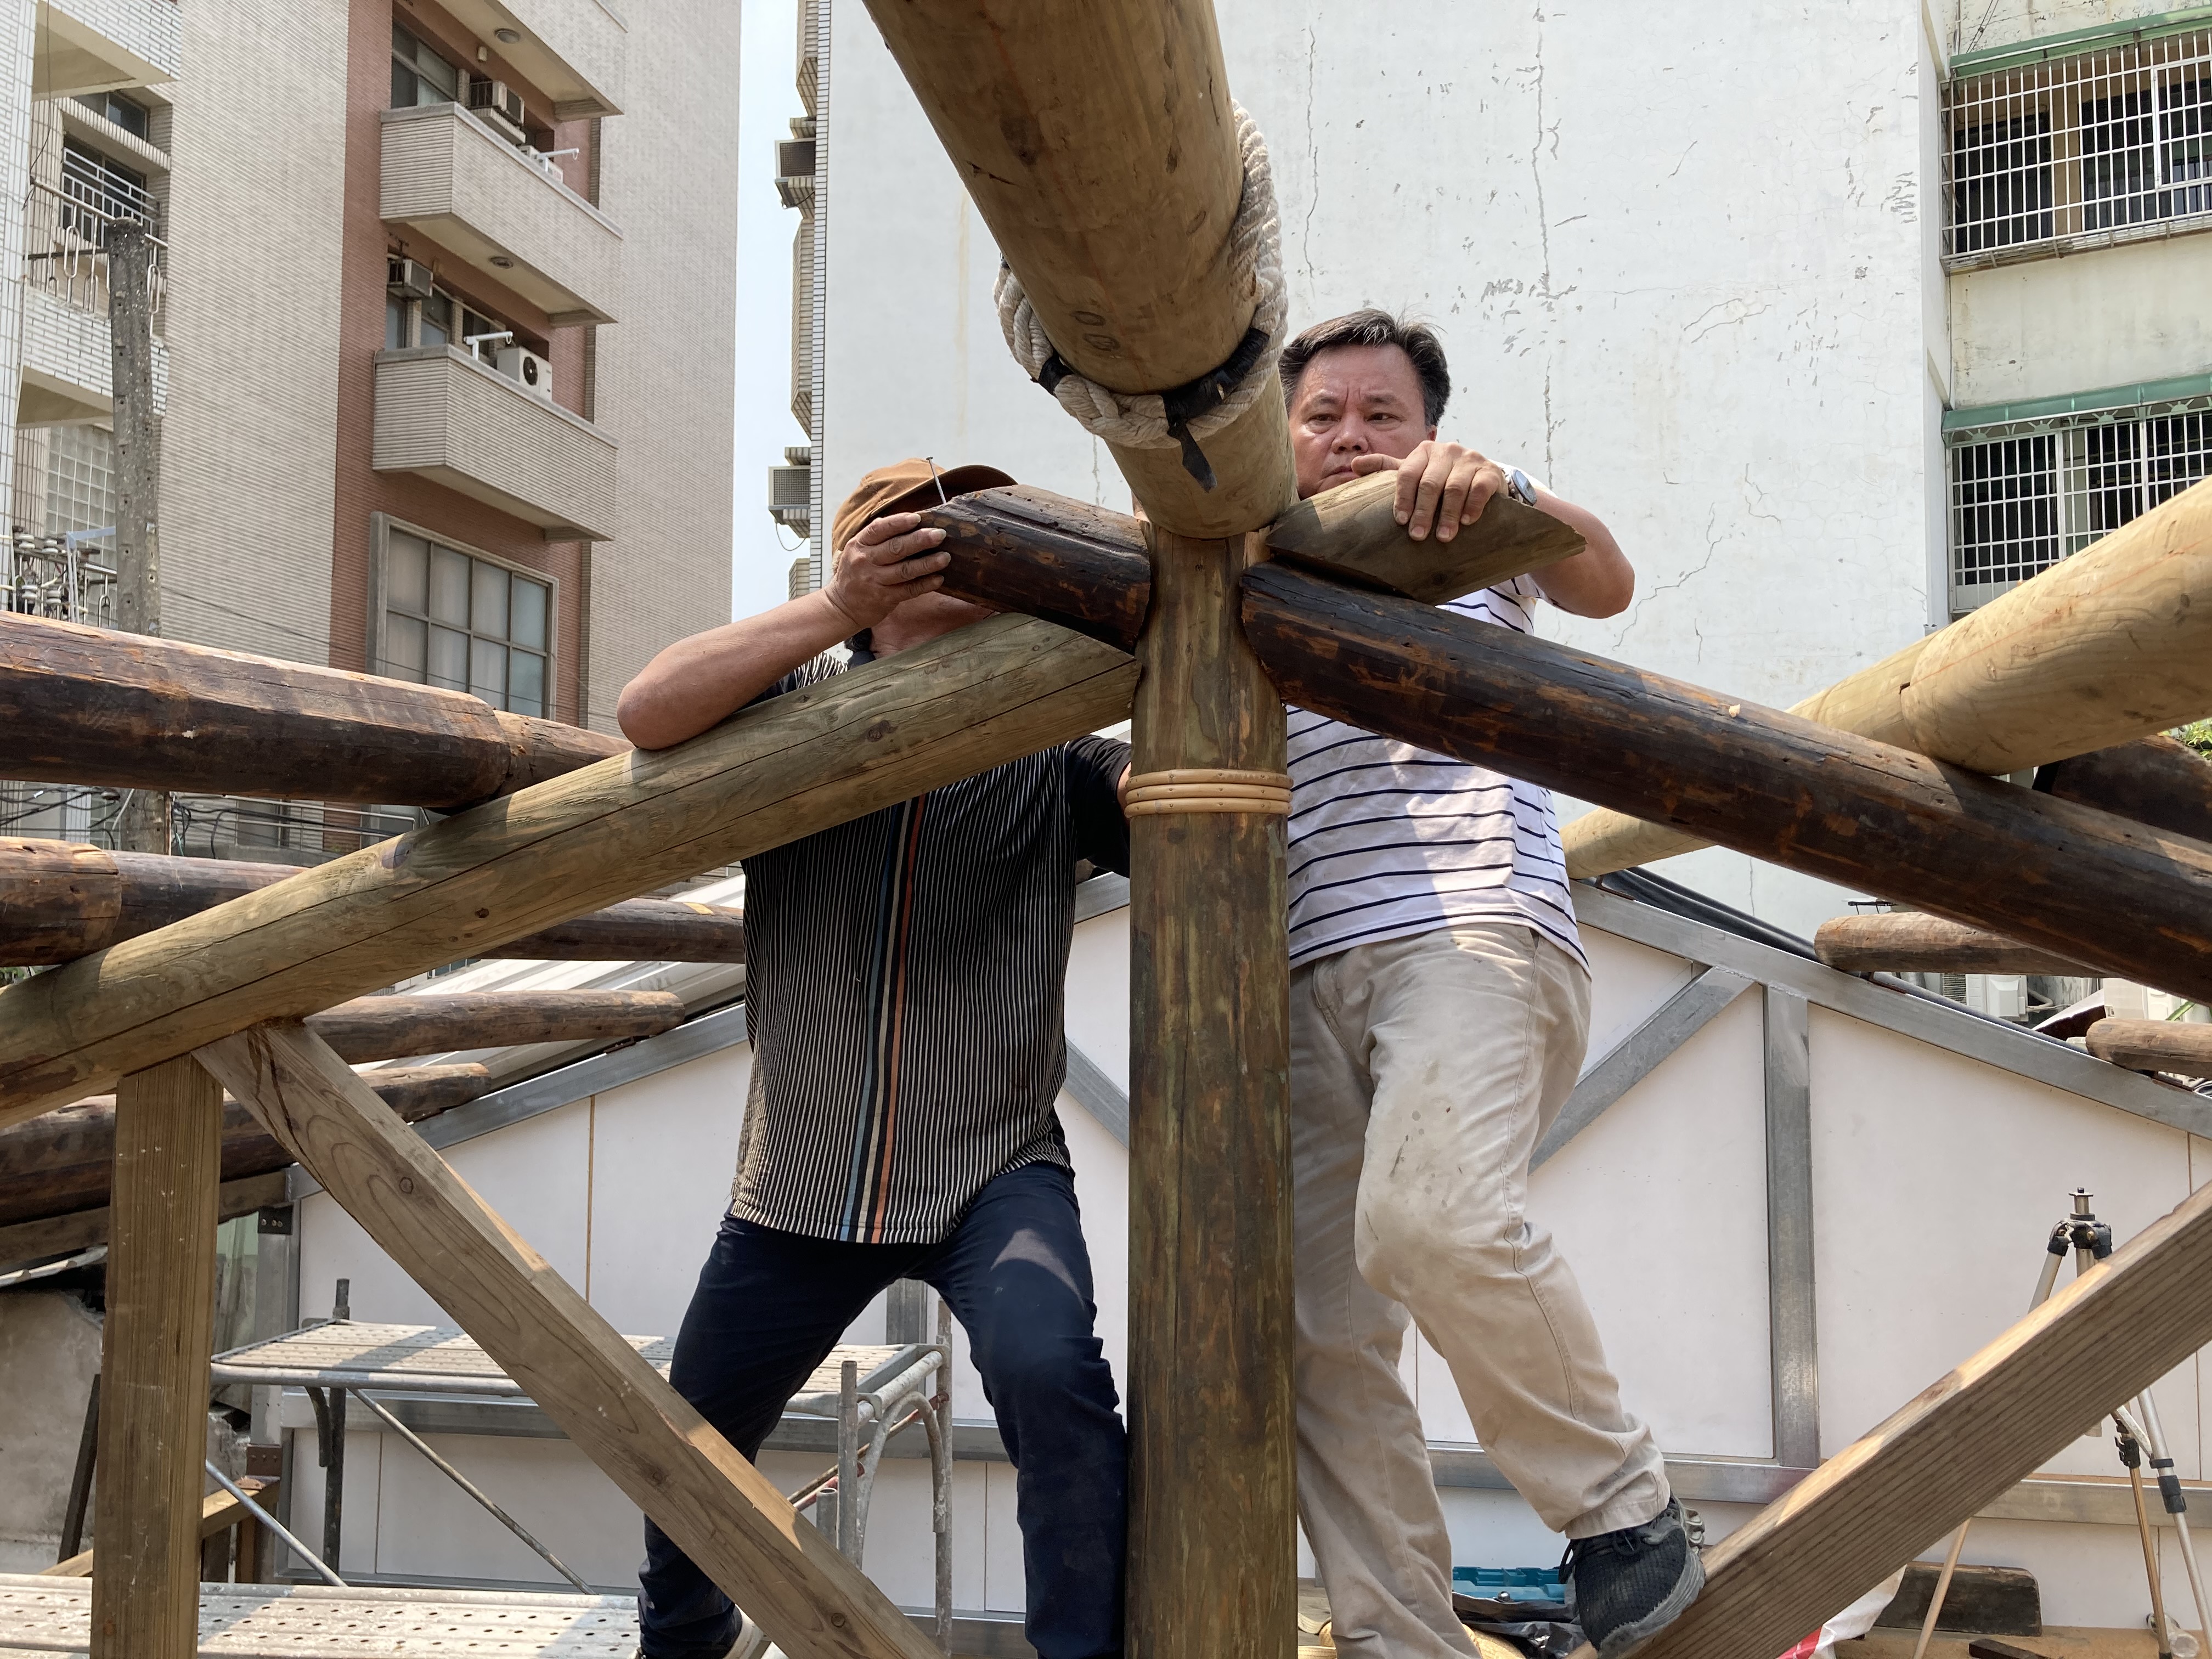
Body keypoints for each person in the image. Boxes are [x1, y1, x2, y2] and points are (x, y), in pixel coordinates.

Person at [617, 459, 1130, 1659]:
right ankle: (681, 1643)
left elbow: (1155, 802)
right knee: (687, 1442)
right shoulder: (784, 699)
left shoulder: (1048, 730)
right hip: (799, 1176)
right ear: (857, 551)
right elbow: (646, 711)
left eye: (979, 529)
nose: (953, 545)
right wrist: (839, 606)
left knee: (1053, 1378)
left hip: (991, 1161)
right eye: (919, 529)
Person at [1274, 311, 1697, 1659]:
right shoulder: (1250, 562)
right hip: (1298, 970)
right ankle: (1399, 1640)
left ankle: (1624, 1513)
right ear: (1284, 438)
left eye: (1380, 415)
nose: (1350, 437)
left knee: (1431, 1225)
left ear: (1428, 432)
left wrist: (1509, 489)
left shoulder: (1461, 527)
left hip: (1466, 929)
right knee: (1319, 1335)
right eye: (1323, 415)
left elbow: (1604, 581)